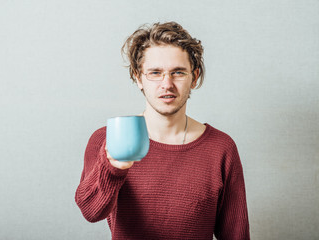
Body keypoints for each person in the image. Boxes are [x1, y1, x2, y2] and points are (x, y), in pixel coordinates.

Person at [75, 22, 250, 240]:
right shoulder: (108, 139)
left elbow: (236, 235)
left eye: (178, 72)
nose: (167, 84)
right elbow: (91, 212)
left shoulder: (221, 148)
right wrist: (113, 167)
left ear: (194, 78)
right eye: (155, 73)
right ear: (138, 78)